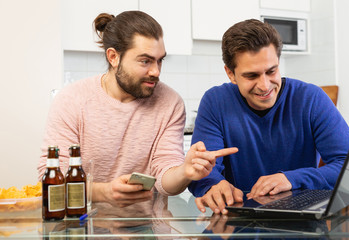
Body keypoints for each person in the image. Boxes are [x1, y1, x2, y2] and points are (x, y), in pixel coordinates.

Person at [37, 11, 237, 208]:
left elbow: (164, 176)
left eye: (160, 60)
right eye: (145, 61)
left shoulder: (170, 102)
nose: (156, 71)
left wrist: (185, 171)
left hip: (148, 228)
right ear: (113, 57)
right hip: (82, 224)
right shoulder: (72, 99)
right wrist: (104, 192)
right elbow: (51, 180)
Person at [188, 19, 349, 214]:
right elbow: (201, 170)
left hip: (301, 225)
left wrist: (292, 179)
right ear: (230, 74)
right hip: (236, 223)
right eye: (251, 76)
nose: (265, 86)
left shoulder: (311, 98)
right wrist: (212, 185)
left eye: (271, 71)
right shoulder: (215, 101)